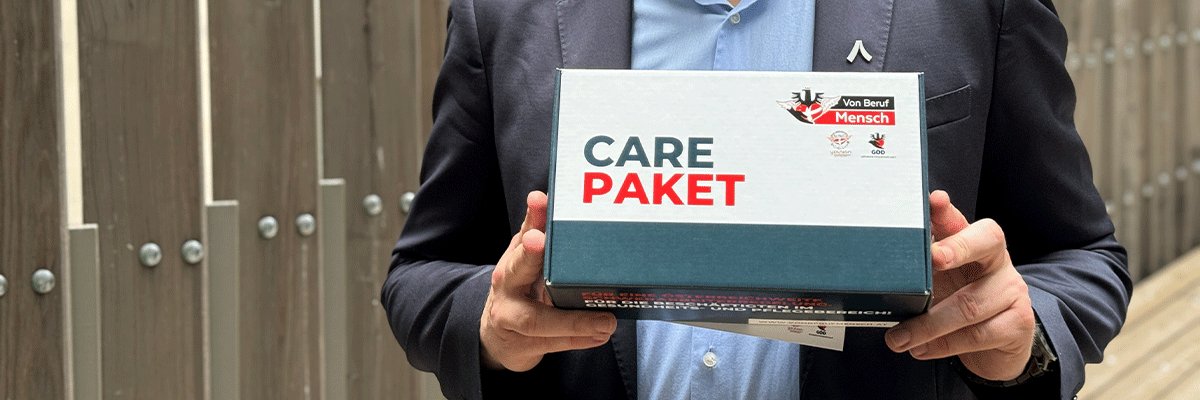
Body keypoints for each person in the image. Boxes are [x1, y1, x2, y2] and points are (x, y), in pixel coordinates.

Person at [381, 0, 1133, 398]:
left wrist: (1022, 340)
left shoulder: (977, 7)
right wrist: (490, 328)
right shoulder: (502, 11)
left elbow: (1081, 256)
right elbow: (423, 272)